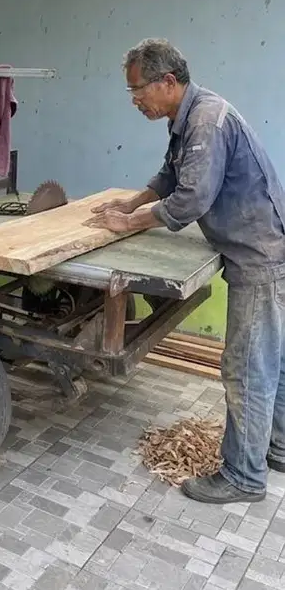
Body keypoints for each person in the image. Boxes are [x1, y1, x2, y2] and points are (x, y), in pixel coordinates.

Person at [92, 38, 285, 504]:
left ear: (167, 82)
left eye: (137, 89)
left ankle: (243, 476)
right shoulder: (188, 118)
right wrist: (132, 200)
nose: (135, 99)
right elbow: (171, 175)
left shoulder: (206, 120)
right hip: (261, 249)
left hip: (259, 257)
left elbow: (191, 198)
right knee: (271, 362)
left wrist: (128, 222)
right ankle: (276, 447)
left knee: (246, 368)